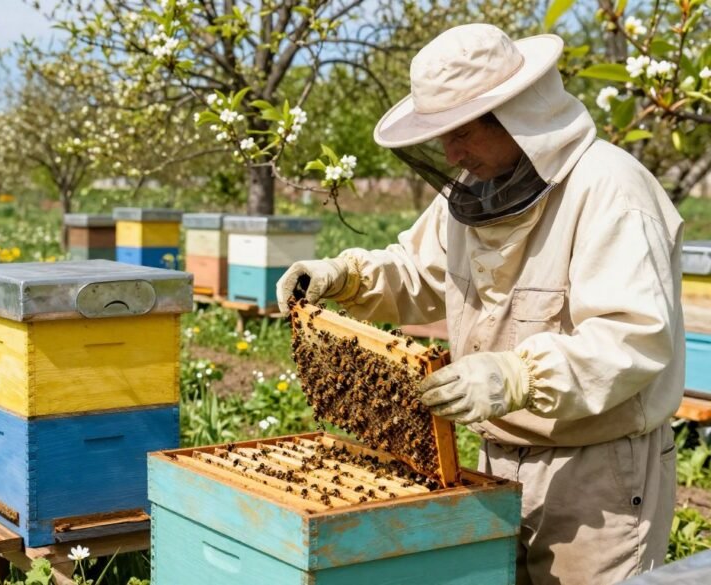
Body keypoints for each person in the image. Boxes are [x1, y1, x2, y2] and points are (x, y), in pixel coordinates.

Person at [277, 23, 682, 585]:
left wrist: (518, 375)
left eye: (462, 133)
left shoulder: (610, 190)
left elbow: (633, 338)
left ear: (518, 116)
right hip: (495, 457)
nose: (450, 152)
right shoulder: (480, 189)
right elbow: (419, 271)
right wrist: (346, 277)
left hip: (598, 472)